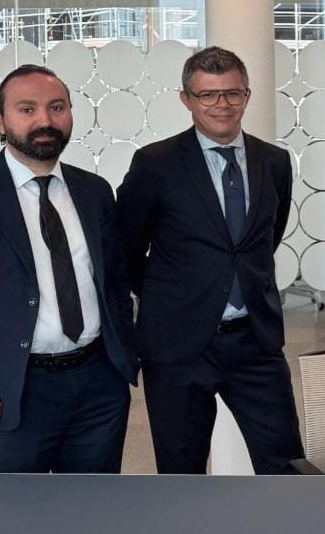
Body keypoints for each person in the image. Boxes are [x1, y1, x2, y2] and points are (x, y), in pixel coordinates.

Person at [0, 64, 138, 472]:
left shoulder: (94, 191)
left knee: (93, 506)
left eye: (57, 107)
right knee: (9, 509)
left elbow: (114, 281)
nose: (45, 120)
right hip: (7, 390)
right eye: (27, 109)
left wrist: (123, 359)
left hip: (98, 388)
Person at [116, 46, 302, 475]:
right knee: (182, 472)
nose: (222, 104)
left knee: (285, 465)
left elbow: (264, 240)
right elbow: (125, 248)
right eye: (208, 95)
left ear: (247, 95)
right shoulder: (155, 164)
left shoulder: (273, 161)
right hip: (178, 346)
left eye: (233, 93)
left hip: (255, 340)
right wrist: (173, 296)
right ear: (186, 99)